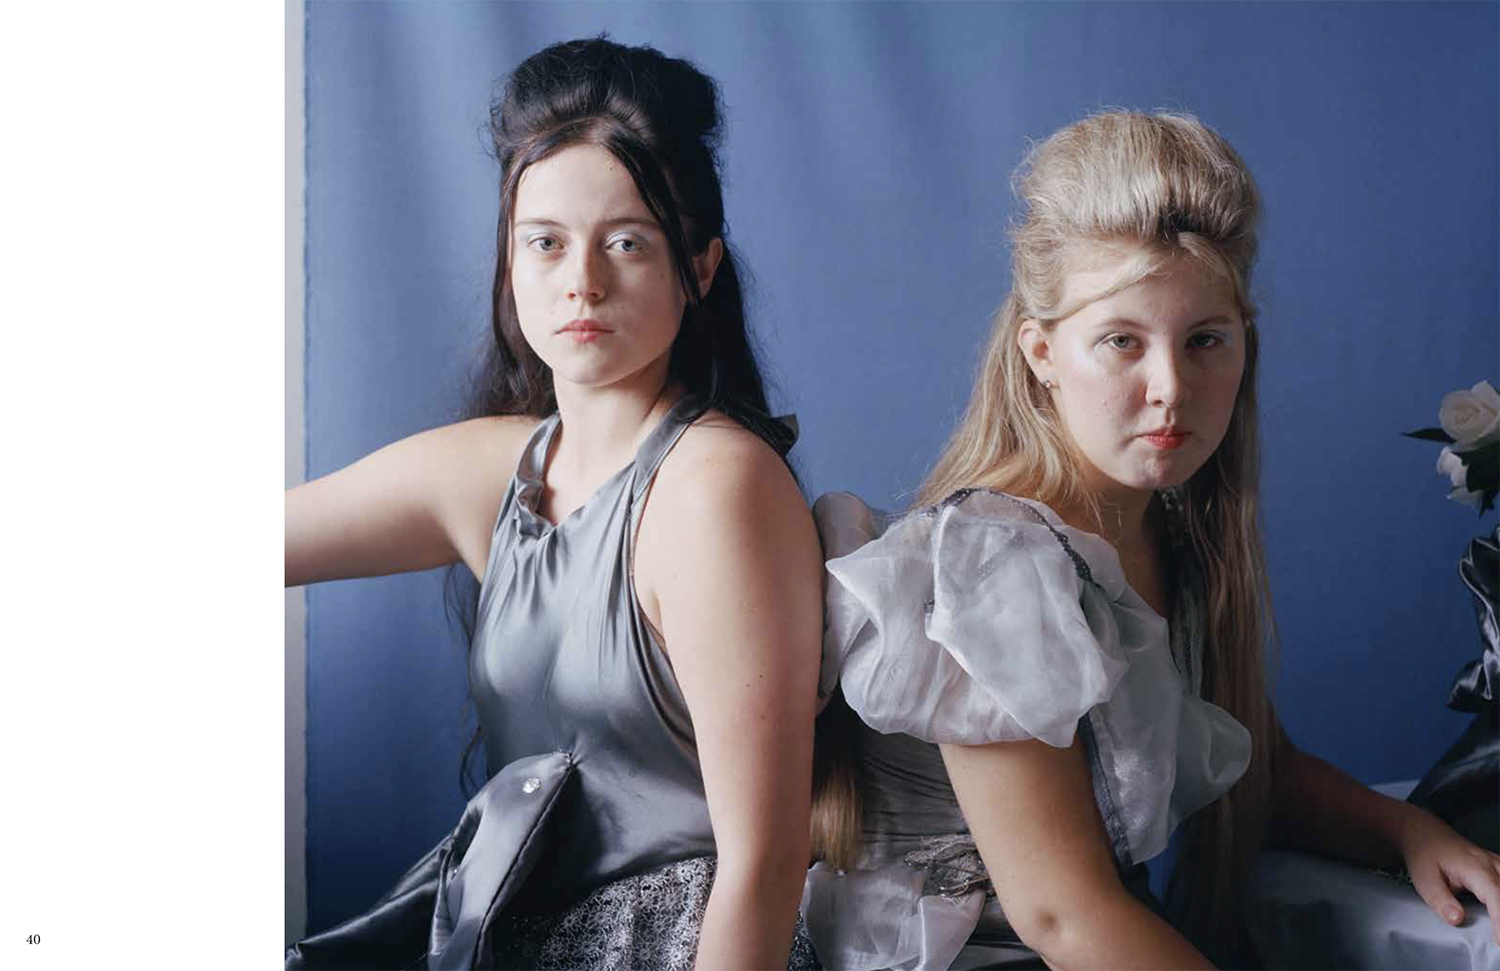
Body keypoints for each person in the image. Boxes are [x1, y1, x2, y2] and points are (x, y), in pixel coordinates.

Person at [802, 110, 1500, 969]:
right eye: (1121, 342)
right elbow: (1063, 915)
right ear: (1041, 353)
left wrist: (1407, 830)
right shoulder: (996, 561)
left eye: (1205, 340)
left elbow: (1264, 770)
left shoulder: (1171, 536)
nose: (1171, 386)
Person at [285, 38, 824, 971]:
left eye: (627, 241)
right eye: (546, 242)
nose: (583, 280)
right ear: (510, 259)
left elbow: (766, 864)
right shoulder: (502, 467)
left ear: (700, 267)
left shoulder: (714, 485)